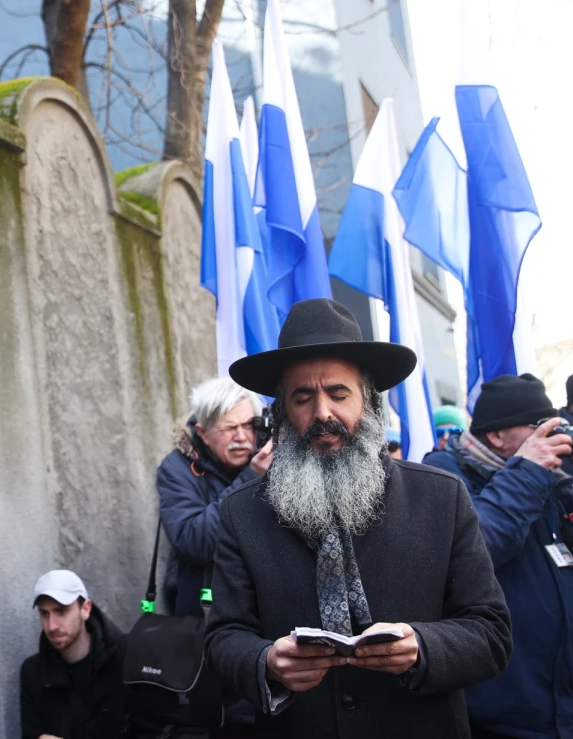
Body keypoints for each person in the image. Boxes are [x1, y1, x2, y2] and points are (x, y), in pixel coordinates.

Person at [204, 298, 512, 739]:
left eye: (338, 393)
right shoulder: (242, 512)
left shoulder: (441, 496)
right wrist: (267, 661)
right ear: (283, 413)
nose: (323, 413)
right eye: (303, 397)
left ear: (368, 401)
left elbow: (491, 633)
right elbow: (223, 636)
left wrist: (422, 647)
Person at [423, 373, 573, 739]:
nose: (553, 436)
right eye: (538, 426)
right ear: (496, 436)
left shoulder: (562, 478)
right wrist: (527, 472)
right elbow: (473, 552)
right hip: (513, 718)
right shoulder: (443, 477)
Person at [156, 378, 273, 618]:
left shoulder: (272, 455)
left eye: (248, 425)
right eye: (229, 428)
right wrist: (251, 477)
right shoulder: (176, 468)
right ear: (203, 433)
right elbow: (193, 542)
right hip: (207, 614)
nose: (241, 437)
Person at [20, 570, 128, 739]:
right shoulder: (33, 673)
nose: (52, 625)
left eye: (61, 611)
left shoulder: (124, 658)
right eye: (44, 614)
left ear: (85, 609)